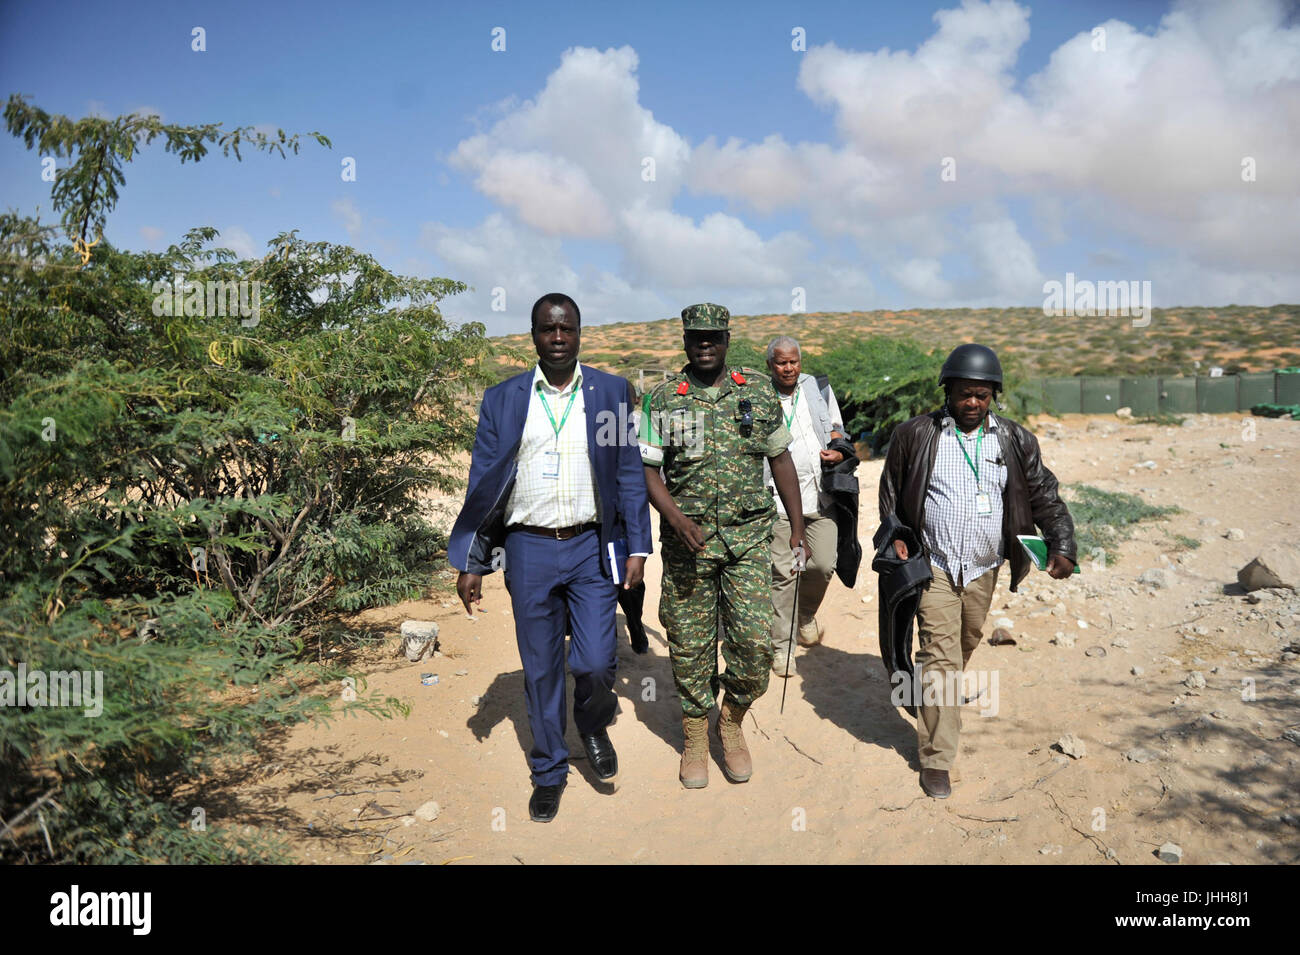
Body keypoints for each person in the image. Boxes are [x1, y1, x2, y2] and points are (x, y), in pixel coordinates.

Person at [448, 293, 651, 823]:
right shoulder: (503, 399)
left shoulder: (609, 392)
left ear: (580, 331)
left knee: (595, 661)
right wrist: (474, 558)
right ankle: (548, 772)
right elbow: (484, 484)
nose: (557, 337)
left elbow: (629, 474)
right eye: (547, 329)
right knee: (540, 671)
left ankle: (591, 720)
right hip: (528, 548)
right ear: (533, 335)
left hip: (590, 546)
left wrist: (638, 546)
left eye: (566, 328)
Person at [878, 343, 1076, 799]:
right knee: (940, 660)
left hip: (985, 567)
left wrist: (1062, 543)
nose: (972, 403)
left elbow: (1044, 494)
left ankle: (931, 699)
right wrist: (899, 539)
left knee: (966, 640)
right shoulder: (915, 435)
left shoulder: (1014, 439)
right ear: (947, 391)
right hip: (935, 565)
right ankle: (937, 757)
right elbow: (890, 498)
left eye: (981, 396)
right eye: (964, 394)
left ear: (993, 396)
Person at [639, 303, 806, 789]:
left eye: (713, 337)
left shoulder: (755, 389)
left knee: (755, 644)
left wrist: (795, 528)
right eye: (696, 338)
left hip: (749, 539)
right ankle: (695, 731)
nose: (705, 345)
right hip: (688, 544)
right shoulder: (664, 398)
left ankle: (731, 719)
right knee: (690, 645)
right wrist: (676, 518)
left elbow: (780, 459)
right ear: (686, 341)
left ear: (728, 339)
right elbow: (648, 470)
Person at [764, 335, 854, 675]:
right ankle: (782, 647)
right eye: (781, 363)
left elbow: (837, 430)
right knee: (785, 573)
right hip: (778, 501)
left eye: (793, 362)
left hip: (820, 495)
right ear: (770, 365)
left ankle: (805, 615)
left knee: (823, 564)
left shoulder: (818, 388)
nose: (788, 368)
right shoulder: (760, 396)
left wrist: (837, 449)